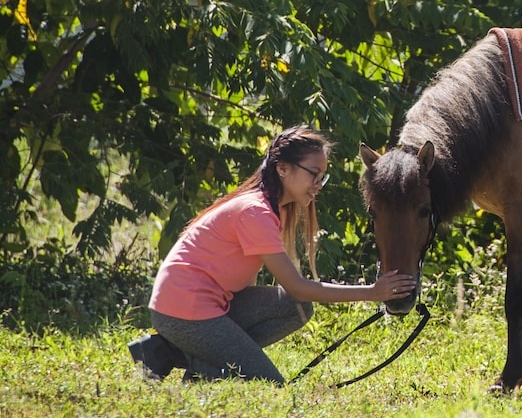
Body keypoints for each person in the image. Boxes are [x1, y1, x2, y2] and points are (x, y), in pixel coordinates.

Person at [127, 125, 416, 384]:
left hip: (212, 306)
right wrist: (371, 292)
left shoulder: (271, 210)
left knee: (296, 307)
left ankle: (173, 357)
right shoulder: (256, 213)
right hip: (184, 310)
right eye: (313, 174)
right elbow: (298, 287)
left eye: (322, 177)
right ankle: (184, 360)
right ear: (283, 169)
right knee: (269, 385)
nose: (318, 184)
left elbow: (294, 296)